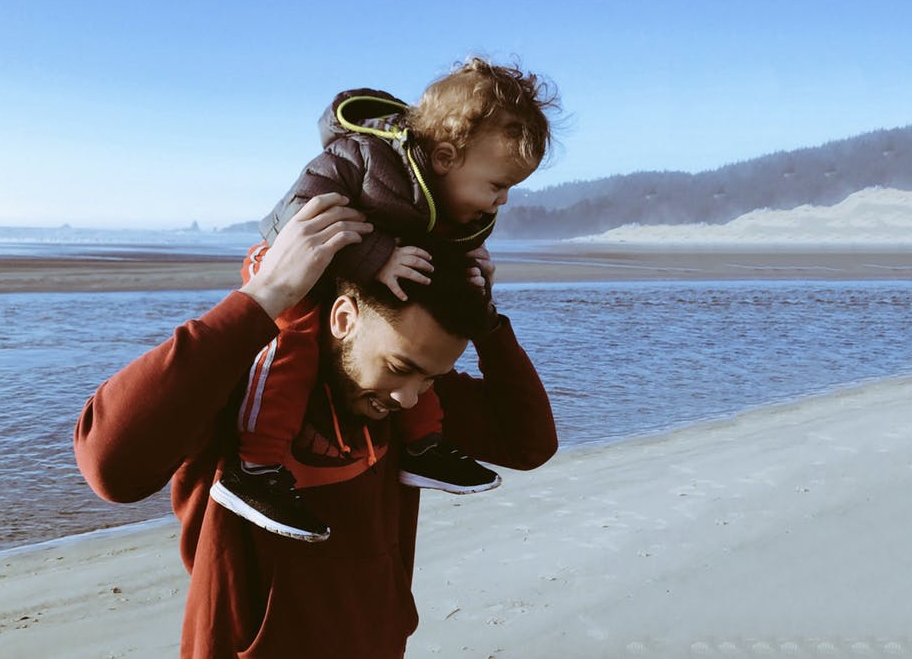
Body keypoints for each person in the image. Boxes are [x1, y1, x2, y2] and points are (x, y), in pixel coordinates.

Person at [74, 193, 558, 659]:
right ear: (344, 318)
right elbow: (110, 467)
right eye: (400, 367)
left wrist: (488, 324)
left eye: (431, 377)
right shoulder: (242, 378)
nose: (409, 396)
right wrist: (263, 296)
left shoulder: (412, 396)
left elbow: (528, 443)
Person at [219, 58, 559, 540]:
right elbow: (294, 215)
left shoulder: (451, 204)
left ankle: (423, 446)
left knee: (418, 363)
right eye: (498, 185)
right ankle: (255, 469)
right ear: (445, 158)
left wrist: (476, 301)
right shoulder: (363, 157)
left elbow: (531, 444)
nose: (503, 200)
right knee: (290, 346)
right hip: (289, 269)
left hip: (363, 289)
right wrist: (376, 258)